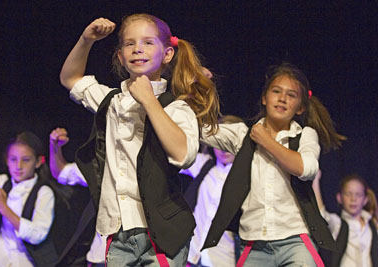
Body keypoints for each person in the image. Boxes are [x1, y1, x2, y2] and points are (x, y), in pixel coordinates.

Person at [59, 14, 220, 266]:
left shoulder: (176, 108)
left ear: (167, 54)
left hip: (161, 234)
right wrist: (85, 40)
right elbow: (70, 79)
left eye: (148, 42)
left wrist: (149, 100)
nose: (138, 49)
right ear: (121, 56)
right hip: (117, 229)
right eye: (129, 44)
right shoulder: (111, 102)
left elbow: (183, 155)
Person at [201, 62, 347, 266]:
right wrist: (198, 87)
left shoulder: (304, 136)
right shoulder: (243, 135)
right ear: (264, 98)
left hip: (296, 241)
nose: (282, 99)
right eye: (276, 91)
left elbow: (306, 168)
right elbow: (200, 129)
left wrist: (266, 141)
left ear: (301, 107)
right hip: (253, 243)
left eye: (291, 95)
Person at [0, 110, 58, 267]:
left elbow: (38, 234)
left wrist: (3, 207)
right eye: (13, 159)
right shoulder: (0, 184)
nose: (18, 166)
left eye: (26, 160)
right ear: (7, 161)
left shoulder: (43, 192)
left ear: (38, 162)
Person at [182, 115, 243, 267]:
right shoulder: (204, 164)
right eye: (219, 142)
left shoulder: (246, 176)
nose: (224, 149)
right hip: (192, 254)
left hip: (223, 258)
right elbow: (177, 151)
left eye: (228, 143)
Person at [49, 127, 106, 267]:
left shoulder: (151, 170)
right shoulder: (104, 167)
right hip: (100, 257)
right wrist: (54, 146)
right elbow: (61, 172)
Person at [312, 170, 378, 267]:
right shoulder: (338, 224)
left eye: (358, 194)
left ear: (365, 199)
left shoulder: (372, 225)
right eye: (348, 194)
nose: (353, 199)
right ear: (339, 198)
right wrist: (315, 181)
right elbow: (321, 214)